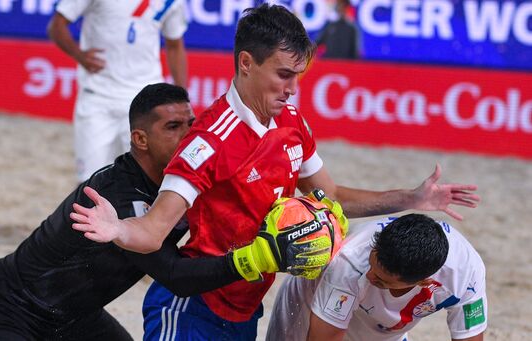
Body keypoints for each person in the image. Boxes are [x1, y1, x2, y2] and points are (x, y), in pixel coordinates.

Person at [70, 4, 480, 339]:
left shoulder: (292, 123)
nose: (292, 88)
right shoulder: (209, 141)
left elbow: (330, 196)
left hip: (246, 308)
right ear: (246, 63)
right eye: (283, 74)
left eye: (298, 76)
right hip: (193, 308)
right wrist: (117, 228)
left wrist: (411, 198)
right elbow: (153, 231)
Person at [0, 83, 253, 340]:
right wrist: (252, 260)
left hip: (75, 316)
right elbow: (175, 275)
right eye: (173, 127)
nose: (188, 135)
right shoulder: (115, 197)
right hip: (9, 306)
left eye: (191, 124)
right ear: (140, 139)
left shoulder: (183, 182)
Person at [266, 214, 487, 341]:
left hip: (384, 331)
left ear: (424, 281)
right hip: (312, 307)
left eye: (382, 280)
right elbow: (324, 338)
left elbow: (469, 336)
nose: (370, 276)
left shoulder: (466, 274)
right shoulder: (350, 262)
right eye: (372, 263)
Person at [47, 0, 188, 182]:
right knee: (89, 182)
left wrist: (181, 98)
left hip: (146, 102)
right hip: (98, 96)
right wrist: (79, 55)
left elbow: (175, 45)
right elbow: (56, 26)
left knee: (145, 180)